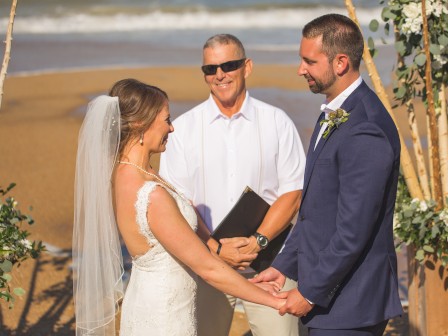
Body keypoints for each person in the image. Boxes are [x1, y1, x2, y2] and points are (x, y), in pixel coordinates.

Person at [72, 78, 286, 336]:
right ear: (141, 123)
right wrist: (273, 299)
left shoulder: (125, 174)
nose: (171, 129)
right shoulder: (152, 195)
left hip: (147, 300)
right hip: (165, 316)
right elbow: (206, 267)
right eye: (166, 120)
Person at [251, 14, 404, 336]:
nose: (300, 69)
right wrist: (283, 266)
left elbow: (353, 230)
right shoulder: (333, 114)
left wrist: (309, 292)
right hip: (329, 300)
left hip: (352, 306)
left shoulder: (365, 128)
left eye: (309, 60)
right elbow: (315, 213)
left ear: (341, 62)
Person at [159, 34, 306, 336]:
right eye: (210, 69)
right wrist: (215, 248)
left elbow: (293, 191)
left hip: (268, 265)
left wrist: (257, 243)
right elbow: (178, 201)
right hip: (205, 265)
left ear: (247, 67)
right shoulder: (183, 129)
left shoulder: (276, 122)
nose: (220, 75)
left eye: (229, 65)